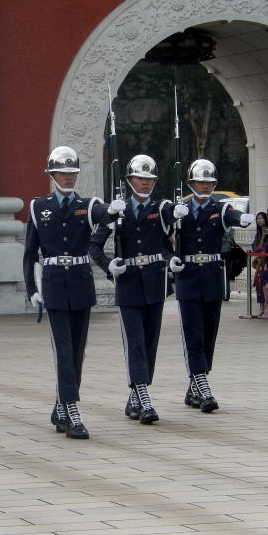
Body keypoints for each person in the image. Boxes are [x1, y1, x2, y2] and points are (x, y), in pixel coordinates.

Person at [89, 154, 186, 425]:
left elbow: (164, 246)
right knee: (135, 342)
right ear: (130, 180)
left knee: (150, 342)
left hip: (155, 282)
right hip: (129, 284)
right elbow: (94, 247)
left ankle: (135, 396)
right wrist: (110, 266)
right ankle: (143, 398)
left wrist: (171, 259)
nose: (145, 183)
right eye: (140, 179)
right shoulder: (117, 211)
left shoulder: (159, 209)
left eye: (149, 179)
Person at [23, 146, 105, 439]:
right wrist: (32, 289)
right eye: (63, 173)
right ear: (52, 173)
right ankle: (71, 408)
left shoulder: (88, 204)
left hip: (81, 283)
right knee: (64, 350)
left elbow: (103, 215)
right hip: (55, 284)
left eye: (72, 173)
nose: (69, 178)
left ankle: (61, 404)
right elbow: (30, 252)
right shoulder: (38, 206)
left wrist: (117, 210)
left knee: (78, 351)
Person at [170, 159, 254, 413]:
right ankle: (202, 383)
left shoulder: (220, 209)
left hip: (212, 277)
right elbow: (163, 235)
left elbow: (233, 216)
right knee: (193, 332)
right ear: (191, 183)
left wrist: (244, 218)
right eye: (201, 182)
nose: (205, 186)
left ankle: (196, 383)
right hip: (188, 276)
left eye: (209, 183)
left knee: (209, 334)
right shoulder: (179, 209)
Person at [251, 212, 268, 318]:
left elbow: (267, 247)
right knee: (260, 285)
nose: (260, 220)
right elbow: (256, 248)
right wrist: (262, 238)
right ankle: (263, 308)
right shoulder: (258, 234)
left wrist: (265, 236)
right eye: (258, 219)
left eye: (262, 218)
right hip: (260, 263)